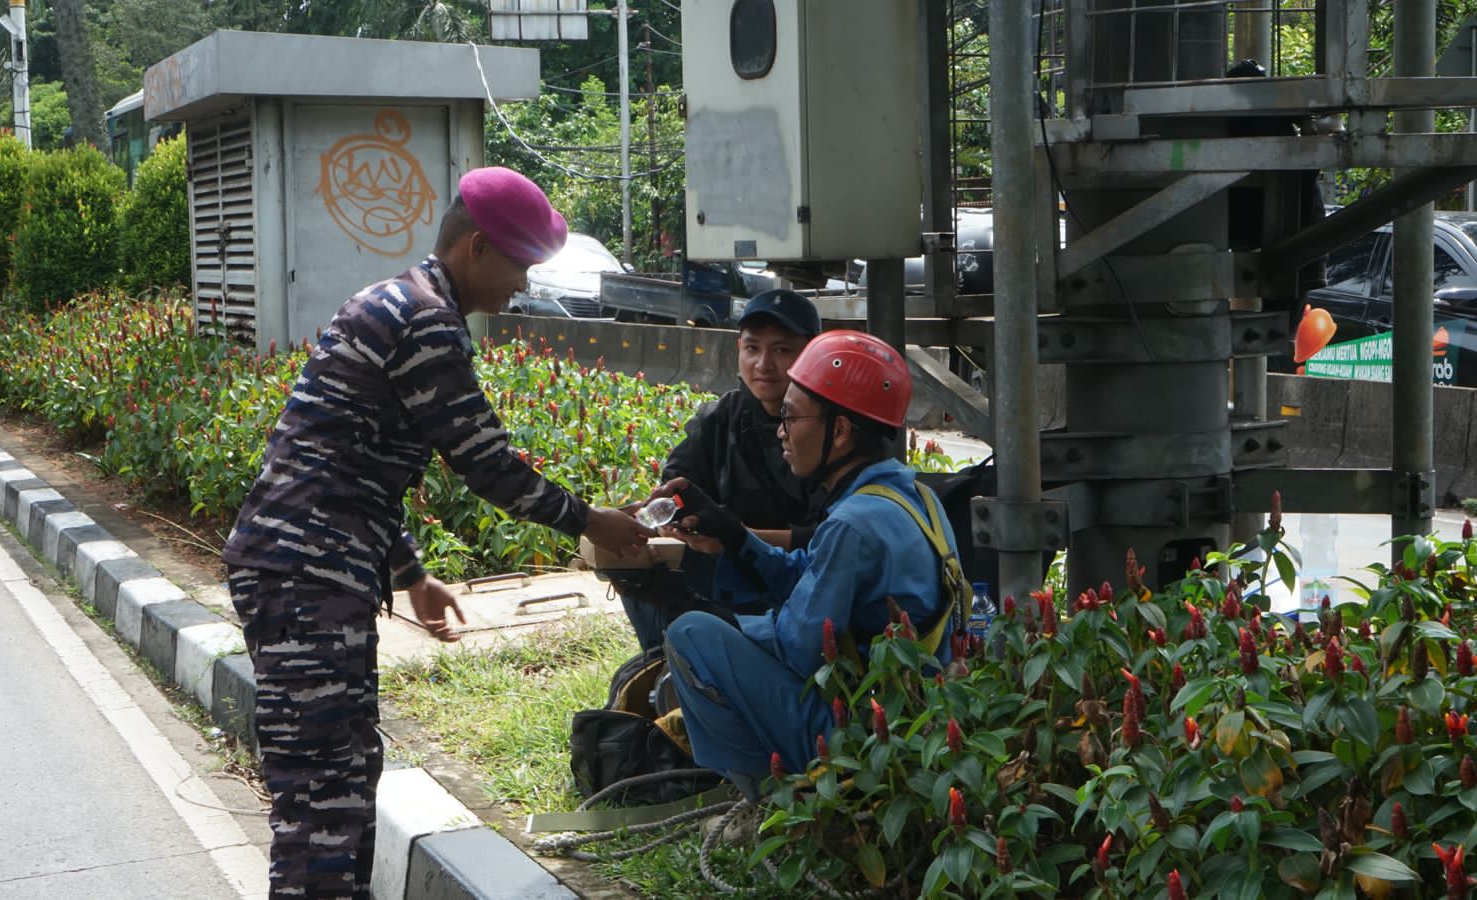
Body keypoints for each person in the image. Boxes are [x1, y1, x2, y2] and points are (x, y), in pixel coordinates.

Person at [222, 166, 650, 899]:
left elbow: (344, 464)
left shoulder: (390, 300)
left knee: (349, 778)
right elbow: (484, 461)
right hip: (305, 578)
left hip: (310, 569)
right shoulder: (426, 321)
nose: (523, 284)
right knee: (322, 803)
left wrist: (411, 575)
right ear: (478, 250)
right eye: (520, 265)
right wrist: (590, 522)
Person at [655, 330, 969, 793]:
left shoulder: (853, 523)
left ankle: (766, 799)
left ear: (839, 432)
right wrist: (733, 535)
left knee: (691, 636)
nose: (781, 431)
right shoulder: (915, 497)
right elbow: (811, 573)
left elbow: (801, 648)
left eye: (790, 416)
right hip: (918, 721)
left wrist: (735, 628)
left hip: (863, 734)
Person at [616, 288, 823, 650]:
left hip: (802, 576)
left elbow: (828, 538)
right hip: (723, 560)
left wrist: (738, 537)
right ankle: (663, 664)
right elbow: (677, 482)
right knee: (635, 560)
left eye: (782, 350)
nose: (763, 364)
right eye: (752, 348)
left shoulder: (830, 425)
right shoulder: (721, 417)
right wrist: (671, 517)